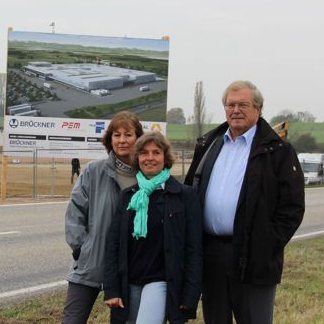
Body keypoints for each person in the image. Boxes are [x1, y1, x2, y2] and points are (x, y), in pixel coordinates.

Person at [184, 80, 305, 324]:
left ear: (258, 109)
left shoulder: (278, 150)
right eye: (230, 104)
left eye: (243, 104)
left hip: (253, 256)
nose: (235, 110)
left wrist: (265, 243)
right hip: (211, 254)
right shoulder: (209, 145)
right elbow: (190, 191)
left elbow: (292, 208)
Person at [104, 132, 202, 323]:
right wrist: (112, 289)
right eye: (144, 153)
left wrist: (190, 293)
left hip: (161, 281)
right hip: (129, 282)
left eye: (156, 152)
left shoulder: (185, 196)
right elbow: (113, 246)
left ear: (165, 157)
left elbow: (194, 249)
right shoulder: (128, 196)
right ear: (137, 158)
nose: (150, 158)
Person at [64, 111, 144, 323]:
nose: (122, 140)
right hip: (91, 262)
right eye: (116, 135)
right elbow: (74, 213)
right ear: (110, 139)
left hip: (128, 267)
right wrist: (82, 248)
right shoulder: (93, 171)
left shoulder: (147, 177)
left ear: (138, 138)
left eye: (128, 134)